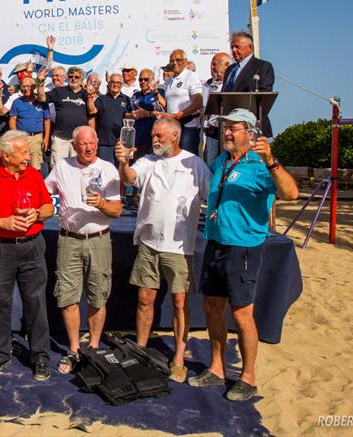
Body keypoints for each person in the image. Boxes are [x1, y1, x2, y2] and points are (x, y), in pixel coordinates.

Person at [187, 108, 298, 401]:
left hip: (244, 246)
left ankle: (248, 377)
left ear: (250, 133)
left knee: (242, 312)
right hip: (216, 242)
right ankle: (217, 368)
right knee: (212, 306)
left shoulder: (260, 165)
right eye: (225, 127)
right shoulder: (222, 161)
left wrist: (272, 161)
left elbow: (291, 194)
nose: (226, 132)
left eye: (233, 128)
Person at [115, 118, 210, 383]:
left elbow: (212, 196)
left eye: (159, 136)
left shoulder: (195, 164)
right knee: (145, 299)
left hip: (180, 247)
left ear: (175, 137)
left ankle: (179, 357)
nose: (154, 139)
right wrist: (123, 162)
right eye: (154, 136)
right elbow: (130, 178)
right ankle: (141, 350)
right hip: (149, 243)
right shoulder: (147, 161)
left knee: (180, 303)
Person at [44, 126, 122, 374]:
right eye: (83, 144)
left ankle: (95, 347)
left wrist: (100, 203)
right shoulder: (63, 166)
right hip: (69, 240)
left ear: (97, 143)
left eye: (92, 143)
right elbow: (44, 193)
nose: (88, 148)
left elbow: (117, 210)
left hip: (99, 239)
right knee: (67, 297)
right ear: (74, 145)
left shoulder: (108, 169)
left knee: (98, 295)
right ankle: (75, 349)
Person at [0, 130, 55, 381]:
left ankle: (40, 356)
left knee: (36, 301)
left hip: (32, 245)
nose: (27, 156)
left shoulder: (33, 174)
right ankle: (1, 352)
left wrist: (38, 214)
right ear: (6, 155)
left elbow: (49, 206)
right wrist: (3, 222)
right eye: (22, 152)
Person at [221, 31, 276, 137]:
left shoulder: (263, 66)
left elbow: (264, 96)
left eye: (237, 47)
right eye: (232, 47)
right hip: (230, 126)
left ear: (250, 48)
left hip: (253, 124)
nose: (233, 50)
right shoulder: (230, 70)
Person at [38, 66, 94, 169]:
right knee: (57, 169)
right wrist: (41, 83)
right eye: (71, 76)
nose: (73, 79)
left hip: (79, 140)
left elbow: (92, 113)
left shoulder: (86, 94)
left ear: (82, 79)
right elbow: (42, 98)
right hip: (60, 138)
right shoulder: (59, 91)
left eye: (77, 77)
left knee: (79, 170)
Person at [160, 50, 203, 155]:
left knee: (187, 159)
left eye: (178, 60)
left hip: (188, 126)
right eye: (172, 60)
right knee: (171, 156)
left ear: (185, 61)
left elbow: (198, 102)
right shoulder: (169, 80)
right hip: (172, 125)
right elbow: (168, 104)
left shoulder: (191, 76)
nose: (174, 63)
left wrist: (177, 116)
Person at [9, 74, 51, 170]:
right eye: (24, 86)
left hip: (36, 138)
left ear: (34, 87)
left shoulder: (42, 101)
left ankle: (33, 184)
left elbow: (47, 121)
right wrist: (16, 136)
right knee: (20, 164)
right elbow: (12, 120)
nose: (26, 88)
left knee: (35, 166)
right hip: (21, 137)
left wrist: (46, 138)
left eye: (29, 86)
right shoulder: (16, 102)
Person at [89, 73, 130, 165]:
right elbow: (92, 111)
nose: (115, 85)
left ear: (122, 84)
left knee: (120, 173)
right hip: (104, 143)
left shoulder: (127, 100)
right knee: (104, 171)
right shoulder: (101, 99)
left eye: (118, 82)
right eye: (113, 82)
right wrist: (90, 96)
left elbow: (132, 119)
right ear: (108, 83)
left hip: (121, 143)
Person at [126, 69, 166, 159]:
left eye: (146, 79)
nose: (143, 82)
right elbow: (126, 114)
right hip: (138, 140)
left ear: (152, 80)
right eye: (140, 80)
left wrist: (147, 113)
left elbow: (164, 110)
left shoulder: (160, 92)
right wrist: (132, 115)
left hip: (155, 139)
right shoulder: (135, 95)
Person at [202, 52, 232, 164]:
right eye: (211, 65)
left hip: (228, 130)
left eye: (215, 64)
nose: (212, 67)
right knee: (212, 163)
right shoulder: (207, 85)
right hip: (212, 131)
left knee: (228, 162)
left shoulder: (233, 83)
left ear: (227, 65)